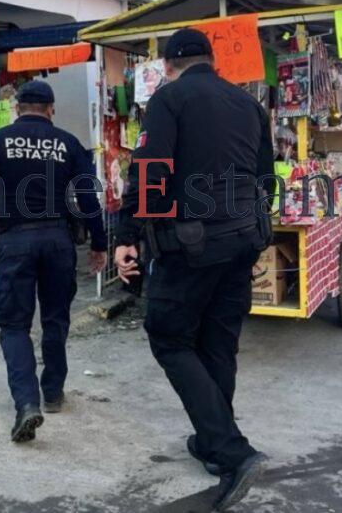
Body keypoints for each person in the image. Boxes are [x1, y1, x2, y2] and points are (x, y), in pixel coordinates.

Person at [113, 29, 273, 511]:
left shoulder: (169, 99)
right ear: (212, 58)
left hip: (192, 243)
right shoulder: (248, 105)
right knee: (218, 342)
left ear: (167, 65)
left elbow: (149, 172)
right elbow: (266, 176)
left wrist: (127, 236)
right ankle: (211, 442)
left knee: (169, 336)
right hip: (244, 239)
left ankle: (231, 451)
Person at [0, 80, 108, 443]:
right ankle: (53, 393)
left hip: (16, 241)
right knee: (55, 318)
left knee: (14, 325)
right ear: (51, 109)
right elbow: (88, 197)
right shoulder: (68, 143)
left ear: (17, 108)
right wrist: (100, 241)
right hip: (58, 240)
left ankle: (26, 403)